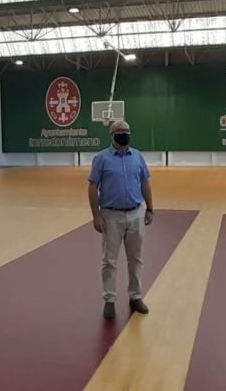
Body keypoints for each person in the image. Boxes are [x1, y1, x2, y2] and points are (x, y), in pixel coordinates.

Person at [87, 120, 154, 320]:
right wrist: (95, 215)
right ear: (112, 135)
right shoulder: (101, 159)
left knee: (136, 259)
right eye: (120, 131)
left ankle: (135, 297)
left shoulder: (138, 157)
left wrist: (150, 209)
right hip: (110, 216)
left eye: (127, 131)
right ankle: (109, 300)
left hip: (136, 213)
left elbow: (145, 183)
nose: (124, 134)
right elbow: (92, 187)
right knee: (109, 260)